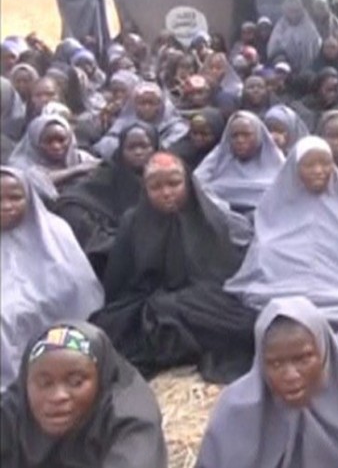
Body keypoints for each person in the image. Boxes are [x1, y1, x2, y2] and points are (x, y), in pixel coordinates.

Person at [225, 137, 338, 373]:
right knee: (272, 312)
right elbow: (264, 251)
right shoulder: (275, 204)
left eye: (325, 164)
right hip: (286, 288)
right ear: (295, 169)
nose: (318, 171)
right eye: (309, 165)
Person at [91, 152, 256, 383]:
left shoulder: (209, 219)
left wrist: (180, 302)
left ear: (187, 183)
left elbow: (223, 277)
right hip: (148, 307)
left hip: (202, 302)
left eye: (174, 183)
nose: (166, 193)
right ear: (145, 190)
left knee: (247, 322)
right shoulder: (133, 222)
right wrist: (157, 303)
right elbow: (120, 285)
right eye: (156, 187)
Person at [195, 297, 338, 468]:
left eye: (302, 359)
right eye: (275, 364)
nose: (290, 375)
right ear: (261, 364)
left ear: (324, 352)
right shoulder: (235, 413)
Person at [0, 323, 167, 467]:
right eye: (45, 383)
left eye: (76, 382)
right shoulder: (14, 408)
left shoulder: (131, 419)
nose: (58, 396)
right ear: (26, 381)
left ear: (100, 379)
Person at [1, 168, 104, 391]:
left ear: (29, 198)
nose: (7, 206)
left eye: (15, 197)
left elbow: (82, 287)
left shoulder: (56, 231)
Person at [56, 122, 158, 275]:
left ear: (155, 148)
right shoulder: (107, 174)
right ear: (121, 150)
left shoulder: (166, 177)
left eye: (144, 147)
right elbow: (73, 198)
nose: (138, 152)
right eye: (131, 147)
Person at [193, 111, 286, 216]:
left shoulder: (276, 164)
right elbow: (197, 183)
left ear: (259, 136)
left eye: (246, 135)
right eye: (234, 136)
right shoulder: (219, 159)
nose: (240, 140)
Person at [7, 113, 98, 200]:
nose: (56, 146)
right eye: (48, 141)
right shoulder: (19, 163)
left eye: (61, 140)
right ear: (35, 142)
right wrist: (76, 170)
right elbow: (36, 182)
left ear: (70, 139)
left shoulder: (80, 157)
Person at [93, 82, 189, 159]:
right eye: (142, 103)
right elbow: (106, 143)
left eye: (151, 103)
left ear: (160, 105)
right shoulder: (125, 121)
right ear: (134, 105)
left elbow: (172, 148)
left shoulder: (176, 127)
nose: (147, 107)